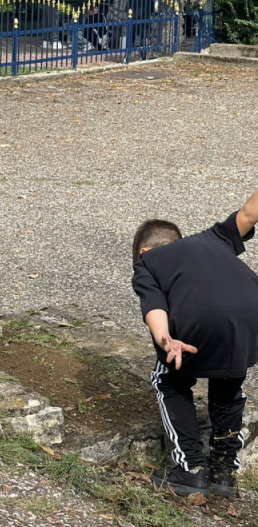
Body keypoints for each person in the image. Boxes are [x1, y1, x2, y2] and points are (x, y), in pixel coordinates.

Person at [131, 187, 258, 498]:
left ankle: (190, 470)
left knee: (169, 380)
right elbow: (248, 213)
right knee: (228, 380)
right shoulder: (213, 238)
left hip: (203, 320)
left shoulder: (148, 263)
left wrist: (166, 340)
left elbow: (155, 308)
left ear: (144, 251)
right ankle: (223, 474)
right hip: (250, 315)